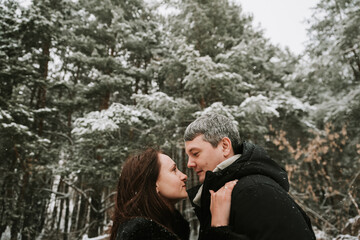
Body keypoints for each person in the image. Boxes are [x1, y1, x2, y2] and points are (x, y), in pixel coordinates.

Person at [184, 113, 316, 240]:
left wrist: (220, 231)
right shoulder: (224, 193)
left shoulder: (256, 191)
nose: (190, 164)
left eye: (195, 153)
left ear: (224, 146)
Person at [109, 148, 244, 240]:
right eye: (174, 170)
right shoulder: (140, 232)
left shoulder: (171, 227)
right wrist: (219, 227)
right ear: (153, 183)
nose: (184, 176)